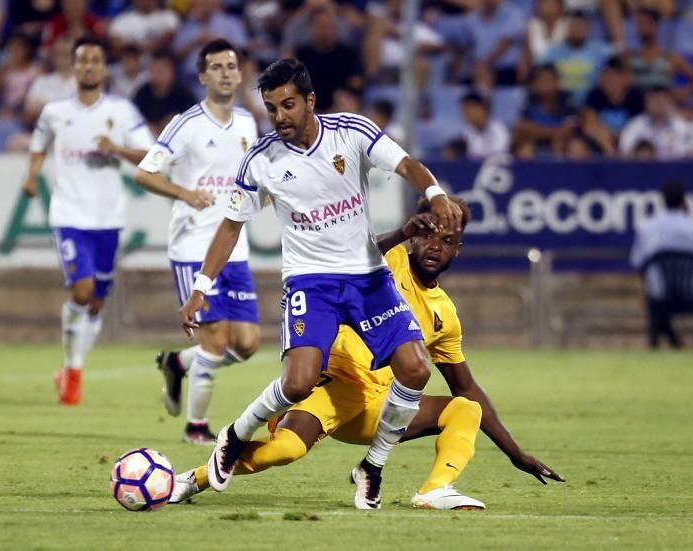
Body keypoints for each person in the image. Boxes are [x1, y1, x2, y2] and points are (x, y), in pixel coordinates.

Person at [179, 58, 461, 510]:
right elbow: (230, 226)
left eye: (288, 104)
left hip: (368, 278)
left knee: (415, 369)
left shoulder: (351, 133)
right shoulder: (261, 161)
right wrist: (201, 286)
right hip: (311, 284)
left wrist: (436, 193)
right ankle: (236, 433)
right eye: (272, 108)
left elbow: (407, 165)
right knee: (299, 382)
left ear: (310, 101)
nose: (280, 116)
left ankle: (373, 465)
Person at [170, 198, 564, 508]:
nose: (434, 246)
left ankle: (436, 489)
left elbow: (467, 386)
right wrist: (398, 233)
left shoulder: (445, 314)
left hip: (382, 409)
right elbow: (351, 260)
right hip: (334, 387)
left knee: (466, 409)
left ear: (458, 249)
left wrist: (516, 453)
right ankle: (194, 479)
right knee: (285, 450)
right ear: (414, 234)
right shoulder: (386, 261)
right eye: (428, 234)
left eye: (447, 241)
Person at [133, 38, 261, 445]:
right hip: (192, 245)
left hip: (233, 246)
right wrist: (185, 193)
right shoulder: (186, 123)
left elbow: (253, 176)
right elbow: (144, 173)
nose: (225, 73)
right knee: (216, 339)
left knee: (246, 345)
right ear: (203, 77)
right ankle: (196, 428)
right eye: (216, 67)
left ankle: (177, 363)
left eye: (231, 65)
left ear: (240, 74)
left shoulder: (247, 123)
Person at [24, 36, 154, 406]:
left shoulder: (122, 111)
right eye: (82, 60)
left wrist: (116, 148)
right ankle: (74, 370)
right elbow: (38, 143)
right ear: (73, 65)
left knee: (96, 302)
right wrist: (31, 176)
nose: (89, 66)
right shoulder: (54, 111)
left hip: (108, 217)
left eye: (96, 60)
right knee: (80, 292)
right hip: (69, 214)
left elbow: (148, 153)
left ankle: (69, 369)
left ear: (103, 67)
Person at [630, 181, 693, 348]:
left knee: (656, 300)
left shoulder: (647, 228)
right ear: (684, 202)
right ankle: (676, 345)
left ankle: (669, 344)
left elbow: (637, 262)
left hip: (659, 294)